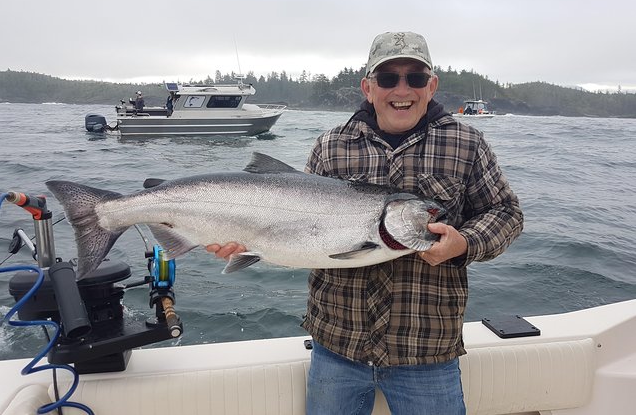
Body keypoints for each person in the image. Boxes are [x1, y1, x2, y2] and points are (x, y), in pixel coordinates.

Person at [207, 31, 524, 414]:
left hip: (426, 350)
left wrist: (465, 243)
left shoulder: (467, 144)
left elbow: (506, 213)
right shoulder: (330, 145)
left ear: (432, 86)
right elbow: (290, 221)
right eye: (388, 78)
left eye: (415, 78)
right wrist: (246, 241)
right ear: (369, 87)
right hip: (337, 345)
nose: (401, 89)